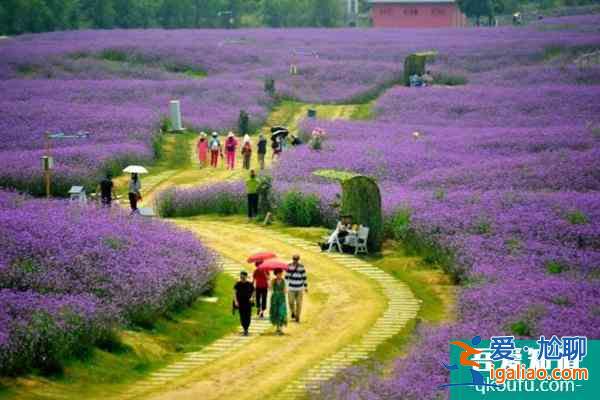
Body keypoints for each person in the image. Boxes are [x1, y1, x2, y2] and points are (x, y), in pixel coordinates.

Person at [286, 255, 307, 323]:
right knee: (291, 302)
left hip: (299, 288)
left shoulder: (301, 267)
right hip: (291, 287)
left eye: (296, 259)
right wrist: (286, 286)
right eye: (294, 259)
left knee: (299, 303)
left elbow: (304, 277)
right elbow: (286, 277)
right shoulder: (289, 266)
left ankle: (297, 316)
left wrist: (305, 287)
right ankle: (293, 312)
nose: (295, 261)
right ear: (293, 259)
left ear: (298, 260)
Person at [234, 271, 254, 336]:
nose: (242, 278)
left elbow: (254, 291)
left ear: (246, 276)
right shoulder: (237, 284)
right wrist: (236, 301)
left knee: (248, 316)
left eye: (243, 276)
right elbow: (234, 293)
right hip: (240, 302)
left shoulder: (250, 284)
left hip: (248, 303)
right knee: (242, 316)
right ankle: (244, 329)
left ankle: (246, 329)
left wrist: (252, 297)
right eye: (241, 276)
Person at [269, 268, 288, 335]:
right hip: (274, 298)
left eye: (280, 274)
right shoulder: (273, 281)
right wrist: (270, 281)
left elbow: (285, 290)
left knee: (281, 312)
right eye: (278, 274)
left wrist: (285, 291)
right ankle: (277, 328)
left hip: (282, 298)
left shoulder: (283, 281)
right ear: (276, 274)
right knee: (275, 312)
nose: (279, 275)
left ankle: (281, 328)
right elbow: (270, 288)